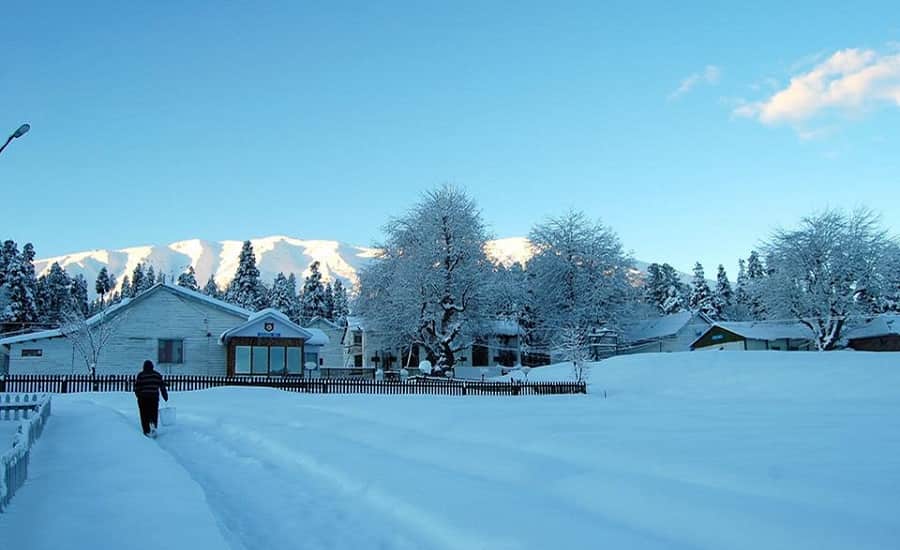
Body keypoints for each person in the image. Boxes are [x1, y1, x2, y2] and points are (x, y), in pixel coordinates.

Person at [134, 359, 169, 437]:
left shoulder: (141, 375)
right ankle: (153, 427)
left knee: (144, 415)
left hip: (143, 399)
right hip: (154, 398)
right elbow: (162, 386)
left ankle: (146, 431)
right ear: (152, 367)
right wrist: (165, 396)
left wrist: (138, 396)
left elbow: (137, 387)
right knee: (153, 413)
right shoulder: (157, 375)